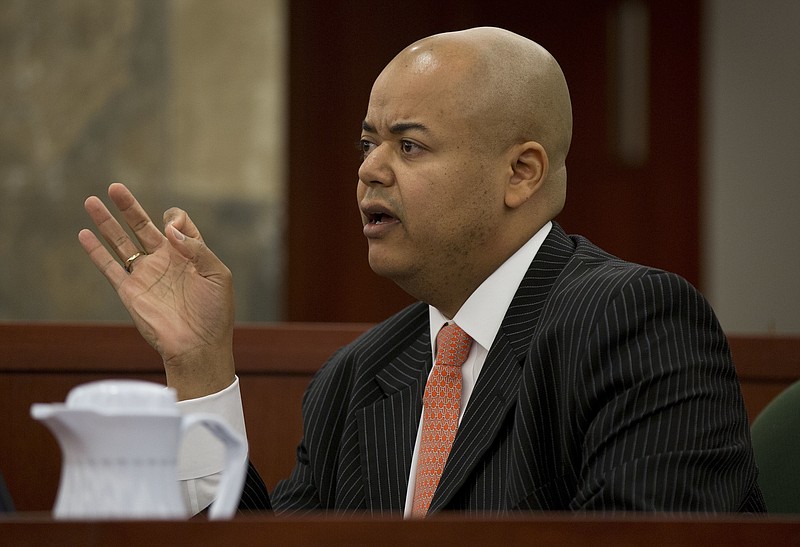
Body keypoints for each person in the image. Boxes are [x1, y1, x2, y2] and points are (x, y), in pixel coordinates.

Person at [79, 27, 765, 516]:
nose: (369, 170)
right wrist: (201, 367)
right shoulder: (360, 374)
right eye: (368, 143)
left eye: (409, 145)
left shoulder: (631, 323)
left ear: (520, 172)